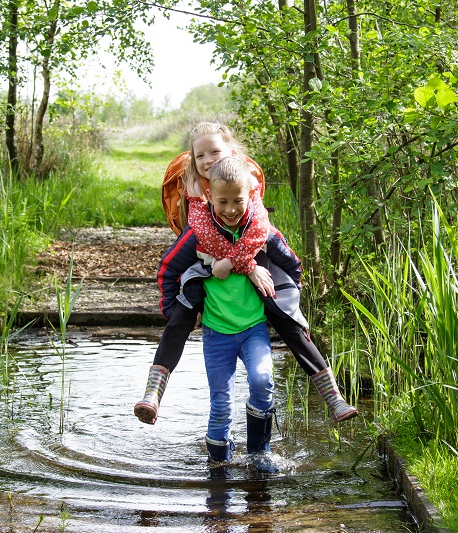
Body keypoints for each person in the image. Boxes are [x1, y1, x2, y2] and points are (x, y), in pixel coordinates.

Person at [134, 123, 357, 426]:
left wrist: (287, 293)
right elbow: (170, 266)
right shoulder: (197, 203)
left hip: (257, 273)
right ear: (194, 162)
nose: (209, 159)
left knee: (290, 323)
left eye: (216, 152)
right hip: (204, 274)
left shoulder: (248, 198)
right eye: (201, 155)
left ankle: (333, 397)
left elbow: (281, 253)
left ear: (233, 154)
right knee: (179, 319)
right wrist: (174, 305)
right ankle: (153, 394)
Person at [160, 156, 290, 472]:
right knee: (220, 403)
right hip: (217, 333)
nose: (230, 209)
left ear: (251, 195)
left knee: (263, 381)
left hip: (253, 328)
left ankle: (260, 452)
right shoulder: (200, 236)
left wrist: (288, 303)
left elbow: (290, 263)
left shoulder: (259, 233)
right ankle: (218, 463)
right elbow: (169, 267)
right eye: (222, 202)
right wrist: (172, 311)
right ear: (210, 199)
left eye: (237, 201)